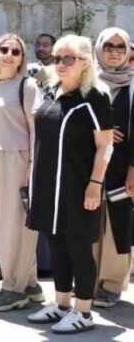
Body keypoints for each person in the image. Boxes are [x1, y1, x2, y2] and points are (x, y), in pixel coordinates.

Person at [26, 35, 114, 334]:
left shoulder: (95, 98)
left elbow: (105, 146)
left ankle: (84, 311)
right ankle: (62, 304)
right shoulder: (51, 91)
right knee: (57, 244)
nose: (61, 64)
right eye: (57, 58)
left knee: (78, 247)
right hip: (48, 185)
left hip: (78, 185)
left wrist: (95, 184)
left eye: (68, 58)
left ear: (85, 63)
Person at [0, 34, 44, 312]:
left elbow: (36, 129)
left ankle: (12, 287)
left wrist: (32, 166)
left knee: (13, 225)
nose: (8, 55)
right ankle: (29, 283)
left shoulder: (27, 86)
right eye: (3, 49)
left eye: (15, 51)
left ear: (22, 58)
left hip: (16, 157)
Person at [91, 28, 133, 308]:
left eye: (120, 47)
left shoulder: (132, 85)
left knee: (118, 221)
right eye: (108, 46)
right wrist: (98, 133)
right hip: (89, 163)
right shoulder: (88, 83)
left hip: (122, 166)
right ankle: (90, 278)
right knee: (90, 218)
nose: (114, 52)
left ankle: (113, 283)